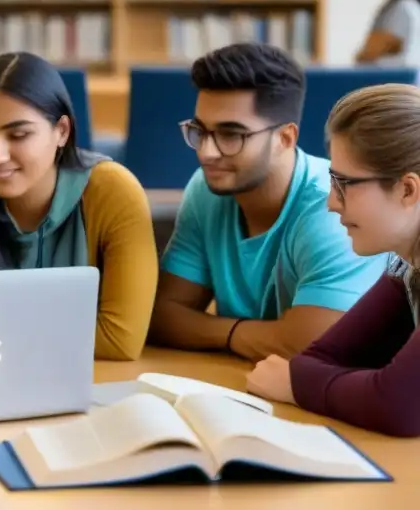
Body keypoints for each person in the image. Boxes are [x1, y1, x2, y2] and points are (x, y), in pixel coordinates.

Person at [0, 52, 158, 361]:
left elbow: (119, 340)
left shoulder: (114, 192)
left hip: (87, 383)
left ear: (61, 131)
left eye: (18, 135)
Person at [149, 43, 387, 361]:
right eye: (200, 131)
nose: (206, 152)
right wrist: (249, 335)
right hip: (244, 384)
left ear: (285, 138)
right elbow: (163, 316)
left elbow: (310, 347)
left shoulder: (333, 209)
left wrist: (215, 329)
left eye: (231, 135)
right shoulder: (206, 190)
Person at [248, 84, 420, 437]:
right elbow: (318, 358)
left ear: (407, 190)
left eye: (344, 184)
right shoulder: (406, 265)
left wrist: (296, 387)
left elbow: (397, 406)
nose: (331, 203)